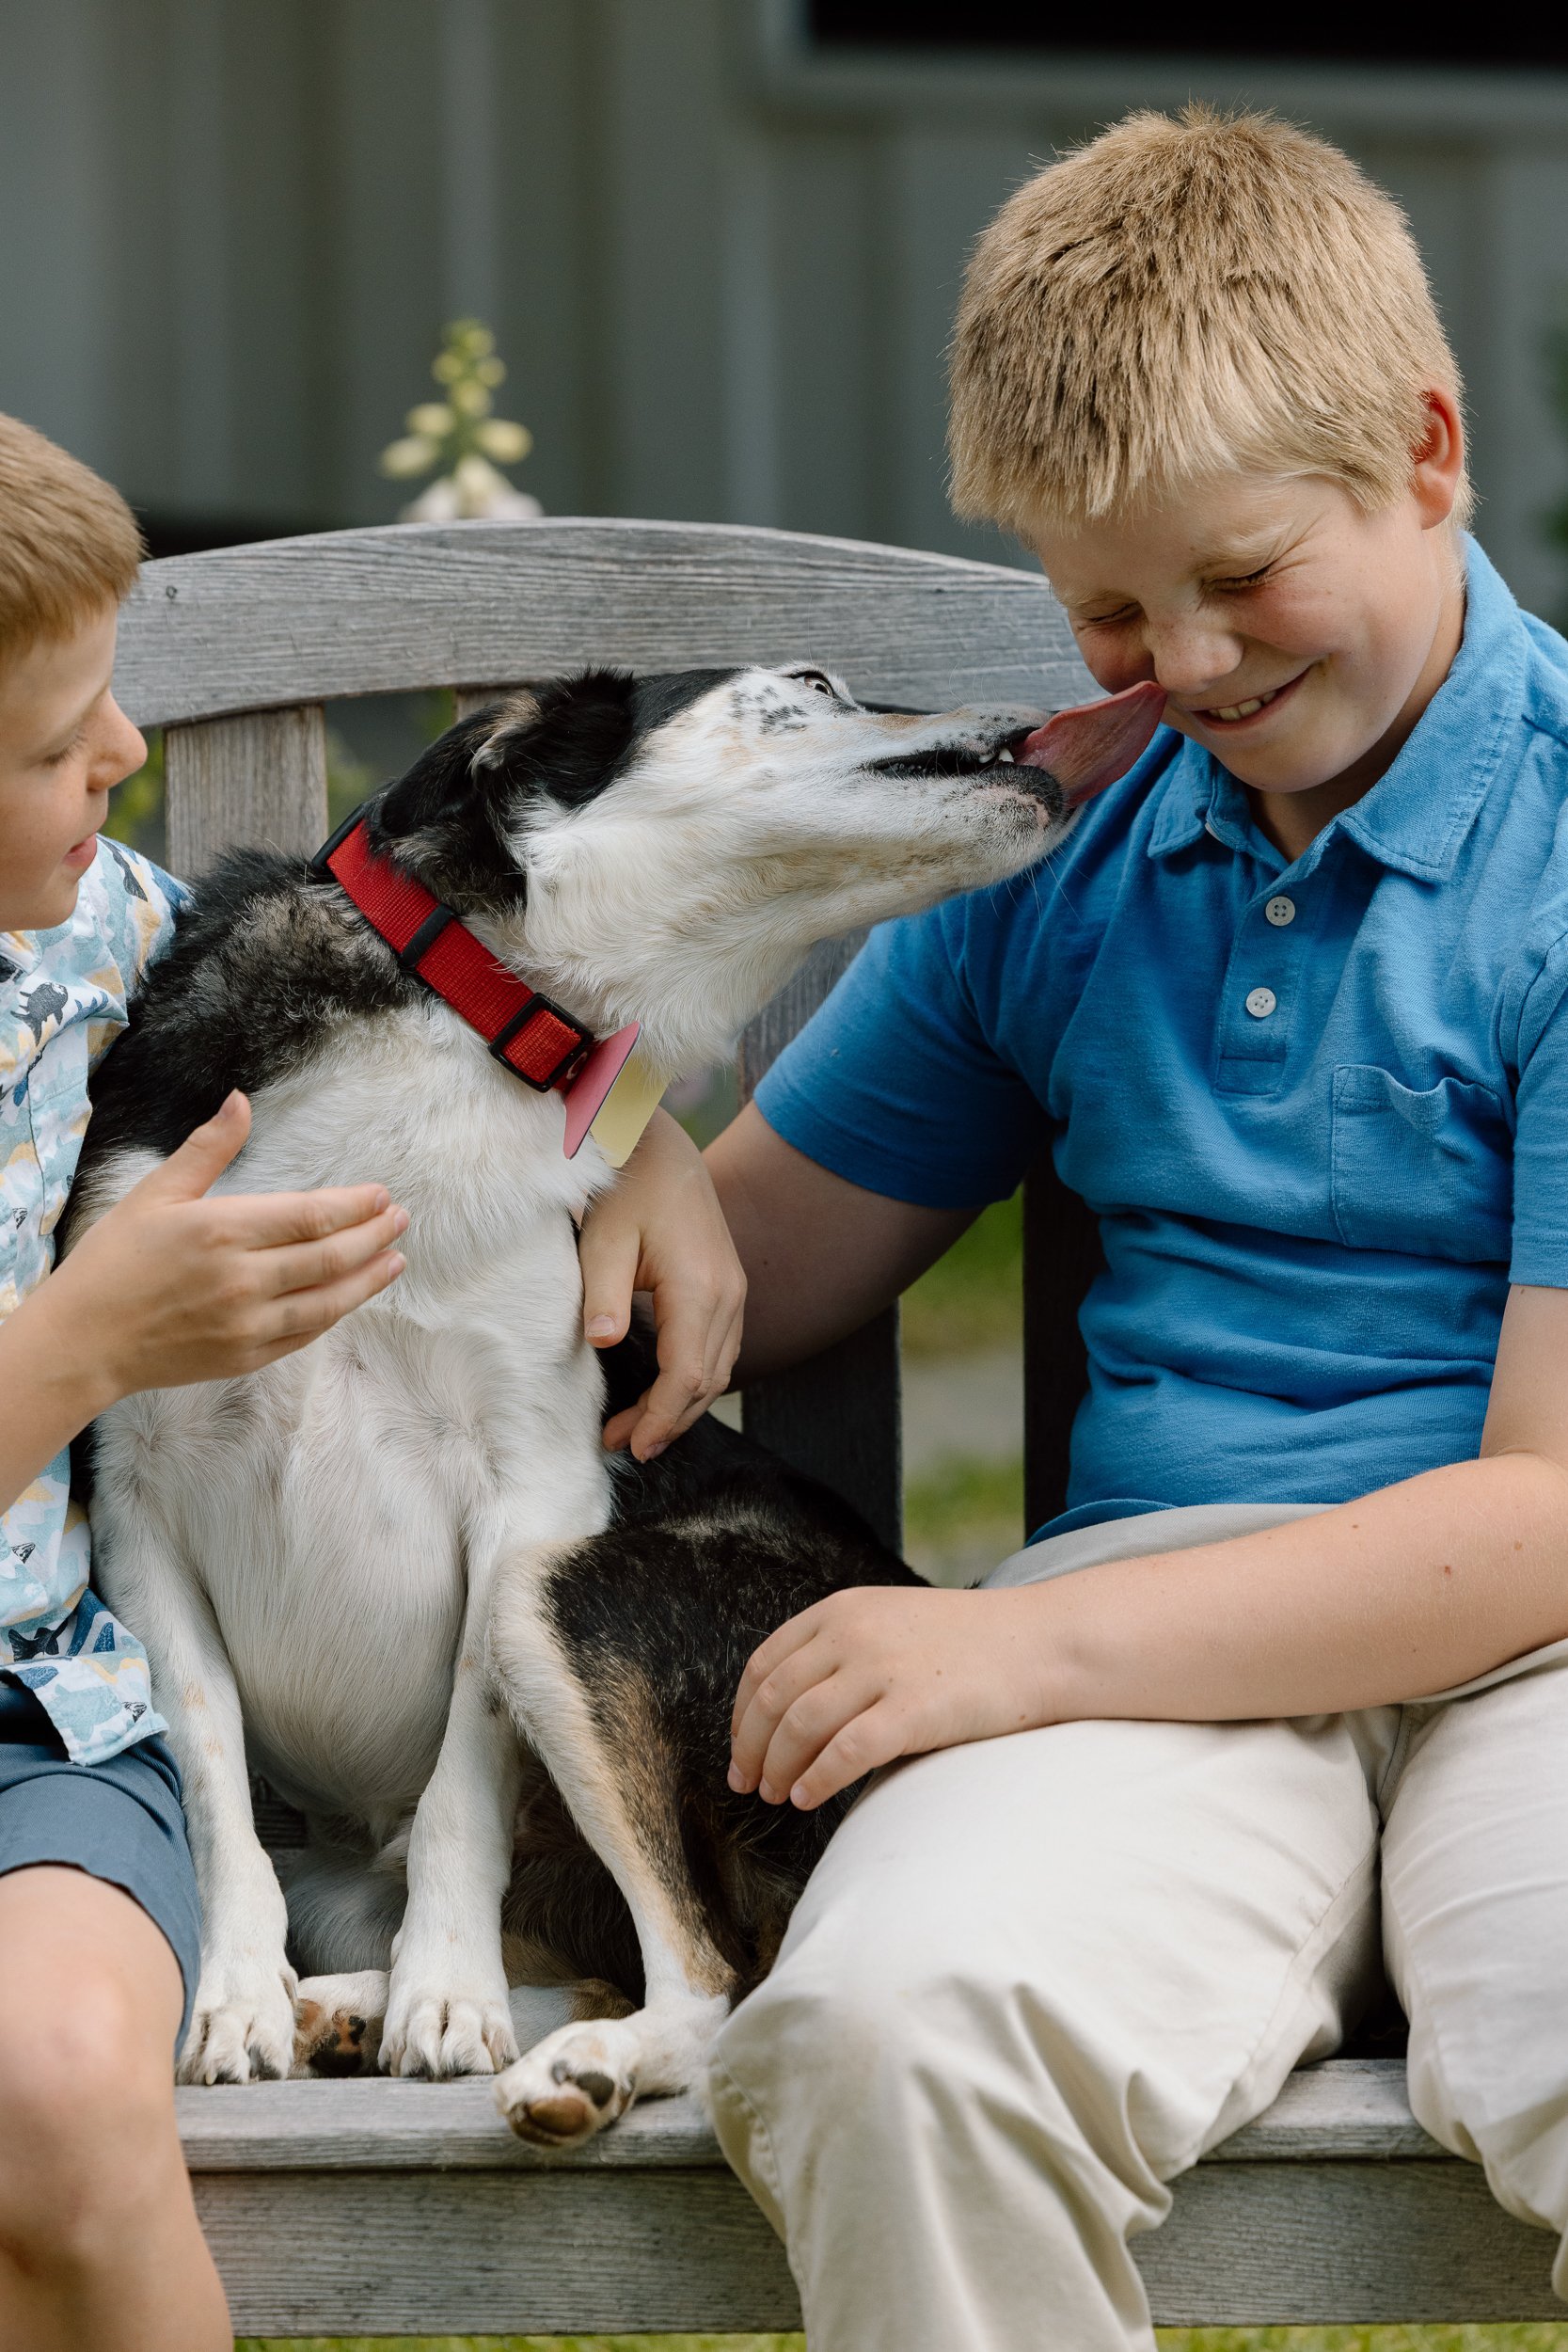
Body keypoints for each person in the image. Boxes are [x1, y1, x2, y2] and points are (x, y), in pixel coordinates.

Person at [578, 108, 1568, 2347]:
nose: (1191, 662)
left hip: (1531, 1656)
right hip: (1167, 1677)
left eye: (1243, 575)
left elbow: (1552, 1515)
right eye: (1111, 605)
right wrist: (609, 1132)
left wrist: (1003, 1652)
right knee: (878, 2031)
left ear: (1425, 451)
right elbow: (748, 1270)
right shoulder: (1078, 840)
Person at [0, 412, 407, 2351]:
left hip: (47, 1734)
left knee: (64, 2081)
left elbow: (437, 999)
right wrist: (88, 1336)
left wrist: (648, 1147)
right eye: (52, 737)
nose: (126, 757)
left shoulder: (107, 945)